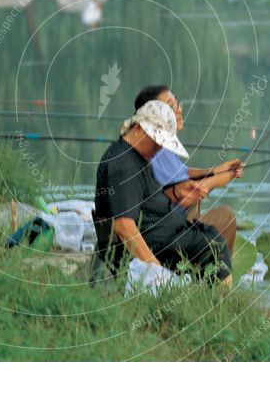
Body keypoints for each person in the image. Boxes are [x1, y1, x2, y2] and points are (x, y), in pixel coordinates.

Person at [93, 100, 232, 285]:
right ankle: (218, 304)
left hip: (166, 237)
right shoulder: (123, 165)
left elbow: (148, 200)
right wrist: (155, 270)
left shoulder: (139, 158)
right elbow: (124, 227)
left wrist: (177, 192)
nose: (159, 148)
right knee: (213, 249)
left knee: (211, 239)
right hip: (154, 248)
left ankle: (211, 301)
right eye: (156, 141)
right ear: (138, 129)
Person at [133, 85, 245, 255]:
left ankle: (212, 271)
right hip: (166, 234)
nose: (179, 109)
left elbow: (183, 172)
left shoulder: (161, 144)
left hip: (177, 224)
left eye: (176, 103)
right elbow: (184, 195)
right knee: (226, 216)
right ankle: (218, 278)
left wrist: (218, 170)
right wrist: (220, 178)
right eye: (170, 107)